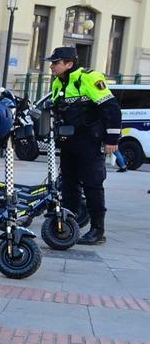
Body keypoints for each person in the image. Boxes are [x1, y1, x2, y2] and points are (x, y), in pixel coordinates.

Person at [47, 46, 120, 244]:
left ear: (69, 64)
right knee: (69, 186)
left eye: (56, 63)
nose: (52, 66)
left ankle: (98, 231)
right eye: (52, 63)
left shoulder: (87, 78)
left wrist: (112, 139)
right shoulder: (57, 83)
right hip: (69, 143)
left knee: (92, 185)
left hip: (90, 142)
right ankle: (70, 227)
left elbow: (112, 108)